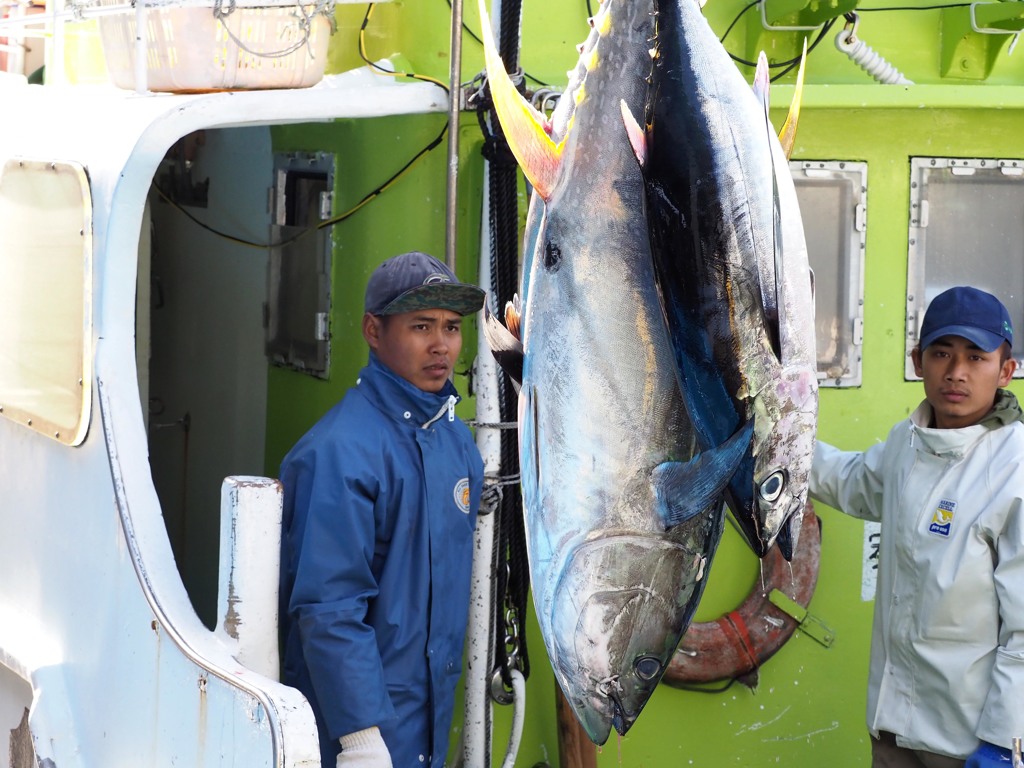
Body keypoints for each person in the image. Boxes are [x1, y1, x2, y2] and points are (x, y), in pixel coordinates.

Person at [278, 251, 486, 768]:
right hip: (353, 737)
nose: (442, 346)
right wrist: (360, 737)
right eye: (421, 326)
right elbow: (329, 607)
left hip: (425, 727)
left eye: (452, 327)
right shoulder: (337, 453)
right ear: (374, 331)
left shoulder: (456, 442)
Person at [810, 286, 1024, 768]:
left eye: (976, 356)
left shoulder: (1015, 470)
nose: (956, 372)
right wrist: (770, 442)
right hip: (893, 728)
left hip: (969, 741)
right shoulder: (907, 443)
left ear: (1006, 370)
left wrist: (1006, 740)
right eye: (942, 353)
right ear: (917, 361)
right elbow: (853, 481)